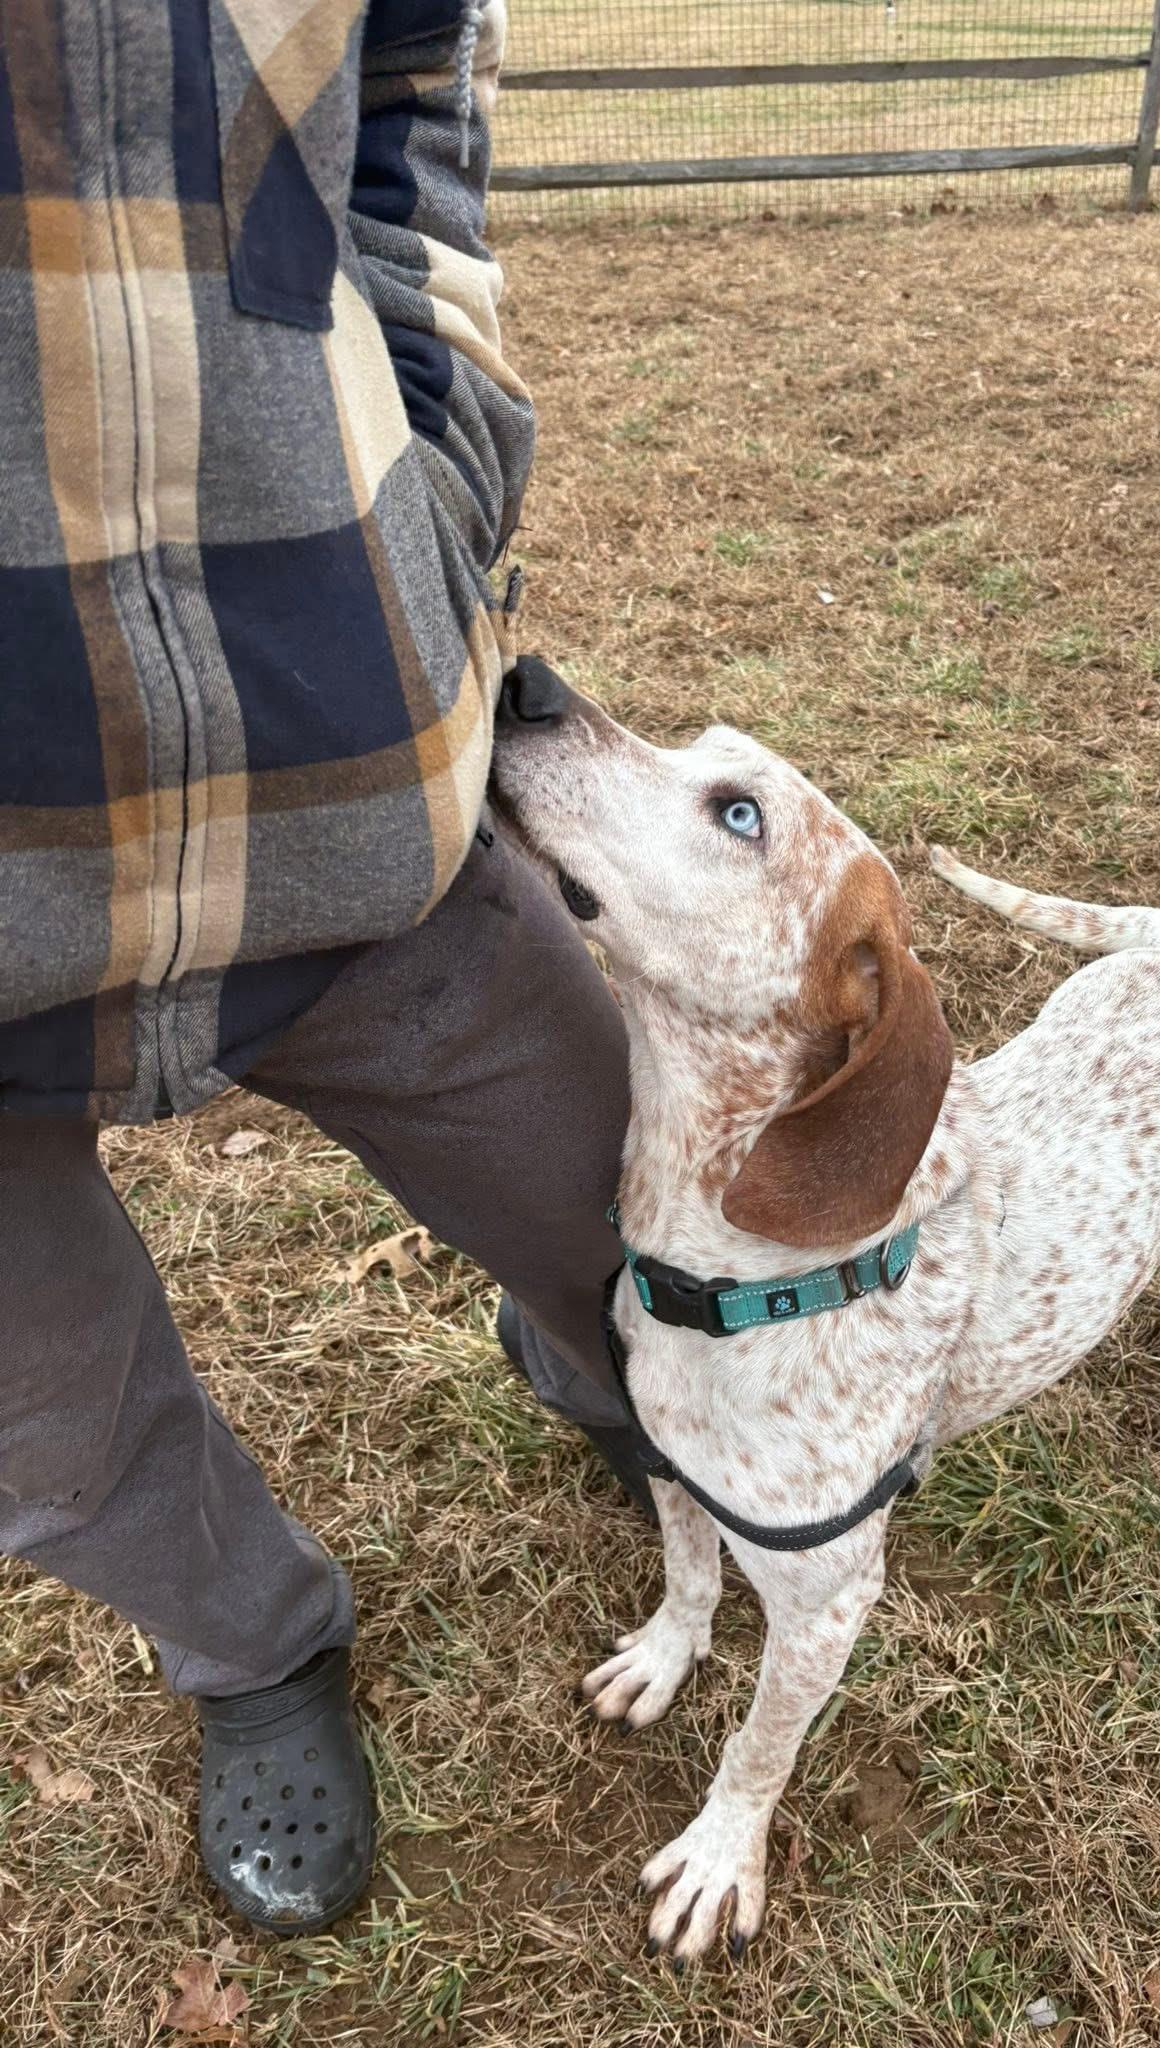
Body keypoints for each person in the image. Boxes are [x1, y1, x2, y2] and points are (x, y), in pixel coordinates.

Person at [0, 0, 647, 1934]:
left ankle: (622, 1375)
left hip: (341, 742)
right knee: (44, 1408)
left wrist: (438, 456)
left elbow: (419, 77)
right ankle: (250, 1644)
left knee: (606, 1173)